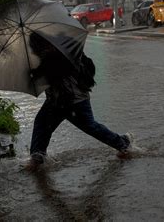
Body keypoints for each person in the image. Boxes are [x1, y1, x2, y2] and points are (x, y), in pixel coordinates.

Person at [26, 33, 135, 170]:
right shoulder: (54, 50)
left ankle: (123, 144)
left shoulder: (60, 50)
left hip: (74, 100)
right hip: (56, 100)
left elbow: (55, 71)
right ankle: (37, 158)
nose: (32, 51)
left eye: (33, 47)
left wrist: (36, 73)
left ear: (40, 45)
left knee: (90, 127)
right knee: (42, 124)